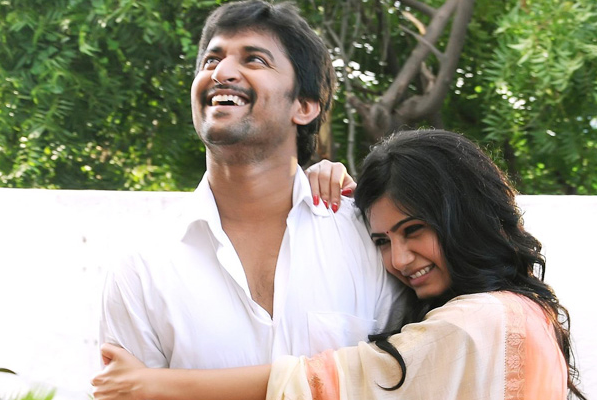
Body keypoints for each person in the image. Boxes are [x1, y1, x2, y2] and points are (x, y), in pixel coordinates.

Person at [92, 129, 587, 400]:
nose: (399, 259)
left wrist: (154, 385)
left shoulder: (485, 320)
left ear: (464, 216)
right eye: (381, 240)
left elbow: (340, 379)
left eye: (415, 230)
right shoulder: (519, 315)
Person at [99, 0, 406, 372]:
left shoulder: (371, 240)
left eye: (254, 60)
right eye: (211, 60)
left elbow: (409, 381)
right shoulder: (142, 266)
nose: (221, 72)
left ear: (305, 105)